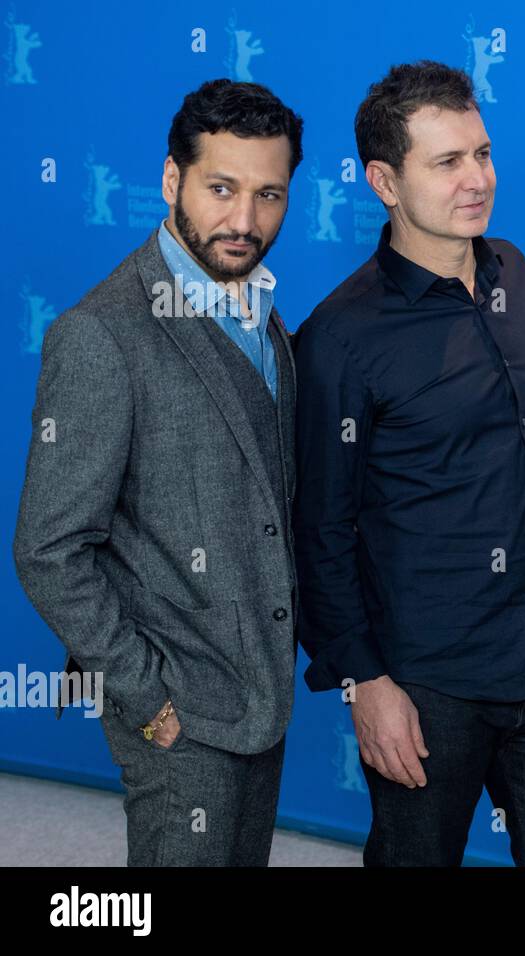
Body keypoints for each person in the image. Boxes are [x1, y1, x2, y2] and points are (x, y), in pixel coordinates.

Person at [292, 61, 525, 867]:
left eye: (482, 153)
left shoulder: (516, 271)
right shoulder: (339, 337)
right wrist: (364, 682)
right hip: (429, 684)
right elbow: (319, 529)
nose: (477, 179)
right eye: (447, 162)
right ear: (384, 182)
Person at [13, 79, 304, 865]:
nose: (244, 221)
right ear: (172, 180)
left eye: (268, 194)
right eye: (221, 188)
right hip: (176, 710)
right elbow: (48, 548)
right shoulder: (101, 335)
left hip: (261, 693)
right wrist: (146, 697)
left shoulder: (262, 315)